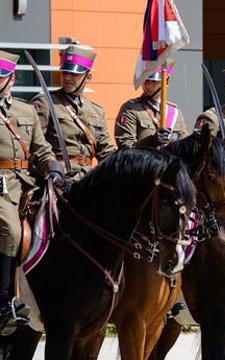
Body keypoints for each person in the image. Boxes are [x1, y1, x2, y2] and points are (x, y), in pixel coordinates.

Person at [0, 51, 65, 333]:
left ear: (11, 79)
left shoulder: (25, 111)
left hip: (28, 183)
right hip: (2, 186)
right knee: (12, 232)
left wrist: (54, 168)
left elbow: (41, 149)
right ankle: (5, 302)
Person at [31, 45, 117, 181]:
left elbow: (105, 151)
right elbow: (35, 143)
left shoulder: (96, 110)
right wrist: (51, 167)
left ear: (88, 77)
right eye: (65, 73)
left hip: (89, 177)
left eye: (74, 74)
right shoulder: (45, 102)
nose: (67, 78)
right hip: (57, 176)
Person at [114, 59, 188, 149]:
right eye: (146, 81)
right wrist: (151, 141)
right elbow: (125, 146)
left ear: (166, 82)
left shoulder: (175, 112)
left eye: (154, 82)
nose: (148, 86)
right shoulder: (131, 108)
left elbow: (185, 145)